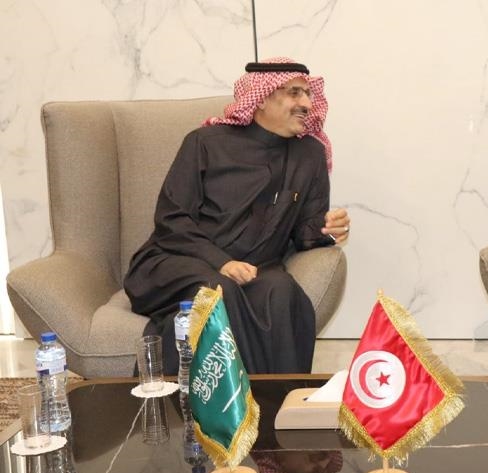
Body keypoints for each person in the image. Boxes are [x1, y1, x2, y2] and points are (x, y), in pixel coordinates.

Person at [124, 57, 350, 375]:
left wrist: (326, 230)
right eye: (294, 93)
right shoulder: (204, 143)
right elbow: (172, 220)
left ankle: (280, 397)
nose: (307, 104)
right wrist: (222, 263)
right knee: (220, 291)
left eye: (308, 94)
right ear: (261, 98)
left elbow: (304, 231)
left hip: (256, 270)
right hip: (178, 261)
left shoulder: (309, 155)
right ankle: (227, 400)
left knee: (283, 293)